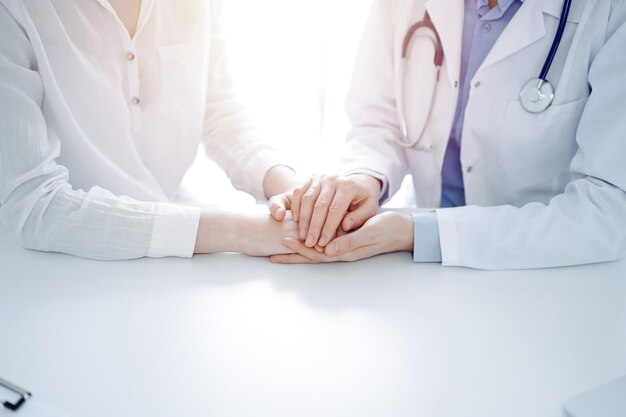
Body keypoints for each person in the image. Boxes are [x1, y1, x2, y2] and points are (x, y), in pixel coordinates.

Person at [269, 0, 626, 269]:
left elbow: (609, 209)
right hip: (414, 267)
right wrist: (364, 178)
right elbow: (378, 119)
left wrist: (421, 232)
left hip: (545, 274)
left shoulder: (608, 13)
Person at [0, 0, 301, 260]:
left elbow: (220, 114)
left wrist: (298, 196)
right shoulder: (14, 10)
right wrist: (242, 231)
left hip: (178, 259)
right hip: (58, 272)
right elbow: (34, 204)